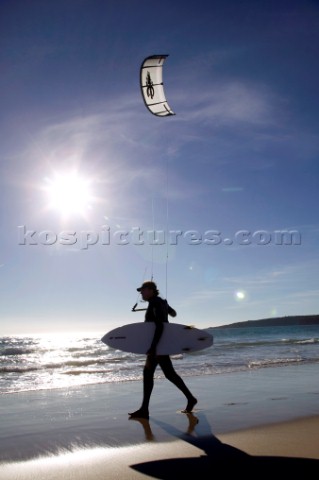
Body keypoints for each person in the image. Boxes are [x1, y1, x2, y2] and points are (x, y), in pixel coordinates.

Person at [129, 280, 197, 420]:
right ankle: (189, 399)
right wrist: (166, 306)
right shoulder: (158, 302)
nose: (141, 293)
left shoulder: (156, 303)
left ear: (150, 290)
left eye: (143, 290)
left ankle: (145, 409)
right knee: (164, 374)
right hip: (160, 344)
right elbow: (173, 314)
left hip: (158, 344)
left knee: (156, 374)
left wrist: (154, 347)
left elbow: (160, 326)